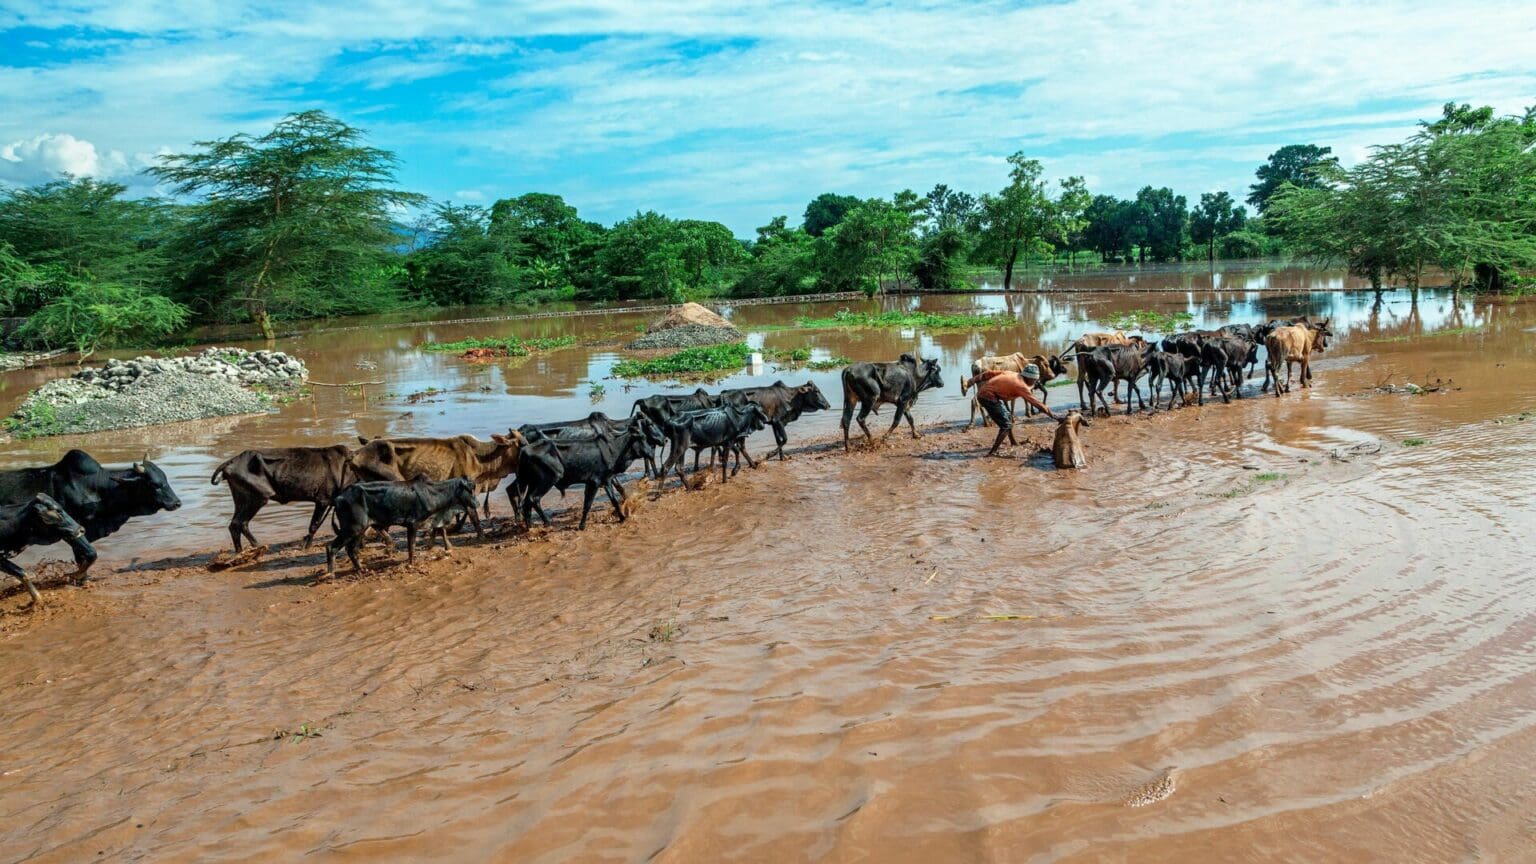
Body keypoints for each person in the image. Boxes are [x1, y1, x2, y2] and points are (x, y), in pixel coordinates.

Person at [972, 364, 1058, 456]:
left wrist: (971, 382)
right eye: (1034, 379)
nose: (1035, 381)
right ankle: (992, 452)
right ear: (1028, 378)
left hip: (988, 394)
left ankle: (1013, 442)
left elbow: (990, 373)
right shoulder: (1021, 385)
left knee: (1008, 417)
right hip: (987, 397)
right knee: (1006, 426)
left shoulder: (1016, 375)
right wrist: (1054, 416)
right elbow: (1036, 403)